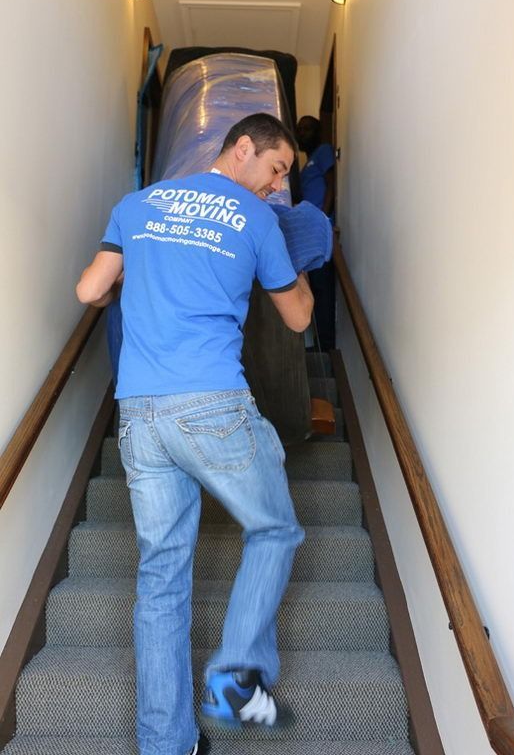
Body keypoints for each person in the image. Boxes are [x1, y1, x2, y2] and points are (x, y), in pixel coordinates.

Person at [76, 113, 313, 755]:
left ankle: (166, 745)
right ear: (243, 148)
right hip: (211, 403)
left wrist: (141, 271)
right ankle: (237, 677)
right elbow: (298, 319)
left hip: (140, 412)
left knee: (161, 577)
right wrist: (301, 253)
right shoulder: (258, 219)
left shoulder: (136, 204)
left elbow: (90, 288)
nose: (274, 185)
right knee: (275, 528)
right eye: (275, 169)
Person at [296, 115, 336, 350]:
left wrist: (323, 216)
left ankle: (326, 345)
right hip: (312, 233)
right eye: (299, 129)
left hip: (322, 231)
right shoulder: (307, 162)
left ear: (319, 132)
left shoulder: (323, 151)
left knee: (322, 288)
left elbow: (332, 182)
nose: (302, 133)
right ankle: (321, 342)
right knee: (315, 288)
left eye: (307, 129)